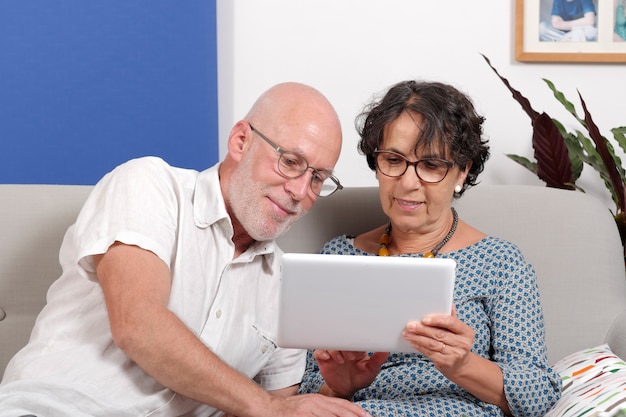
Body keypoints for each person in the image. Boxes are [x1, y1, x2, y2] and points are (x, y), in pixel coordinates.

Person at [0, 82, 373, 417]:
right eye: (290, 162)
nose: (300, 191)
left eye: (318, 178)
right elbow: (137, 324)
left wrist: (335, 390)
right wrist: (269, 406)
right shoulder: (150, 186)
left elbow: (274, 410)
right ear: (240, 141)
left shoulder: (286, 287)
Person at [298, 81, 562, 416]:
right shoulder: (338, 257)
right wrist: (340, 386)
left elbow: (539, 395)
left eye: (431, 165)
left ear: (462, 172)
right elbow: (305, 389)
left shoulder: (501, 263)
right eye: (393, 160)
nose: (408, 183)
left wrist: (462, 365)